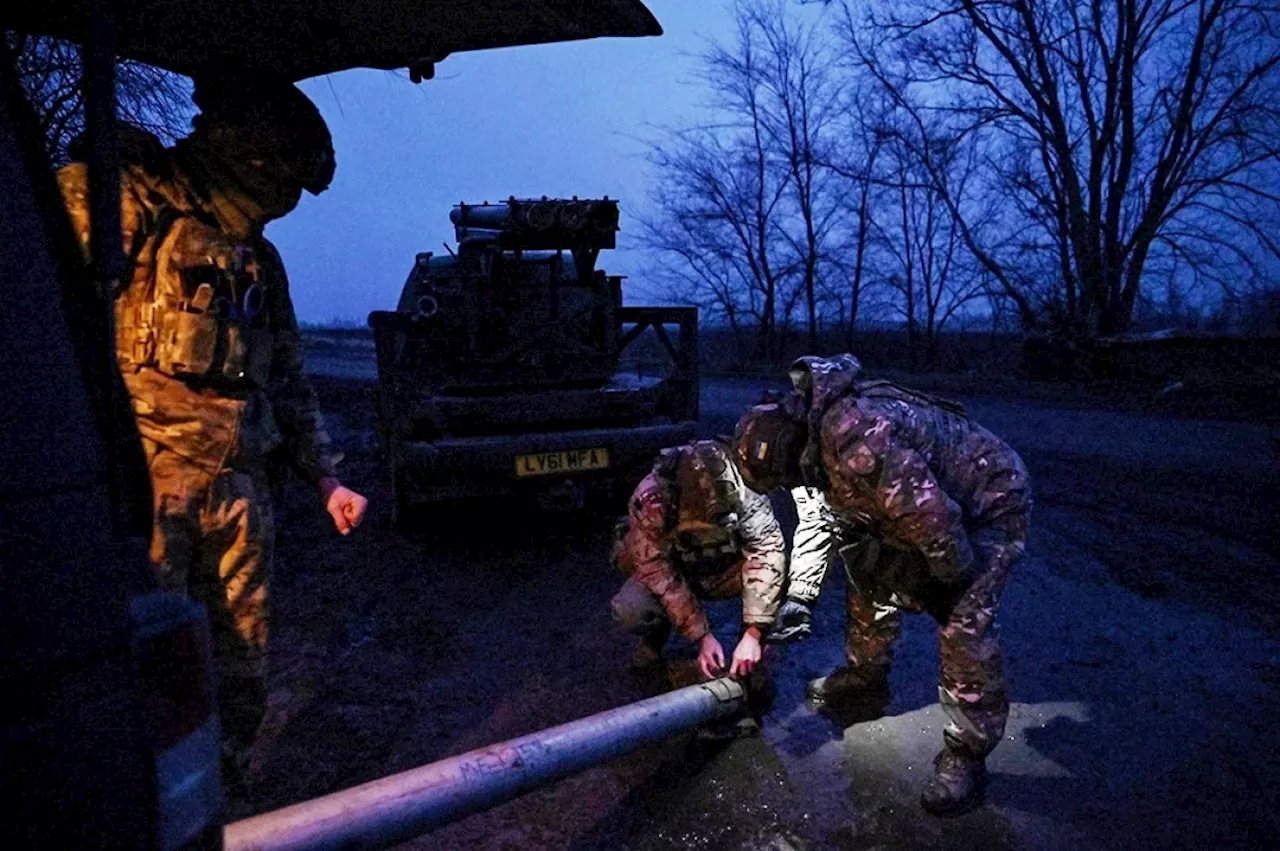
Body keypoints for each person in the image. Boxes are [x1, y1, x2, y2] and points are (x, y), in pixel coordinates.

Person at [56, 74, 368, 794]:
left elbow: (286, 377)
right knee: (137, 672)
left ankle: (219, 802)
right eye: (283, 181)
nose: (284, 204)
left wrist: (327, 478)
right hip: (145, 490)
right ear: (249, 159)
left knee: (239, 670)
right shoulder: (116, 200)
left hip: (238, 494)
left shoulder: (258, 257)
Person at [731, 354, 1032, 817]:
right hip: (928, 507)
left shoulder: (854, 436)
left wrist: (945, 577)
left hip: (987, 501)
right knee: (868, 569)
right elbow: (821, 522)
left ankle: (968, 752)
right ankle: (865, 677)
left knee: (963, 619)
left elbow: (932, 517)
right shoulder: (812, 444)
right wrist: (799, 597)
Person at [609, 438, 787, 685]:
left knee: (783, 578)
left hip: (727, 571)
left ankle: (748, 659)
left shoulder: (746, 488)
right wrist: (701, 636)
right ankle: (655, 637)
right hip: (680, 572)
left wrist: (753, 631)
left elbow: (767, 550)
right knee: (632, 608)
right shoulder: (652, 499)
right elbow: (656, 570)